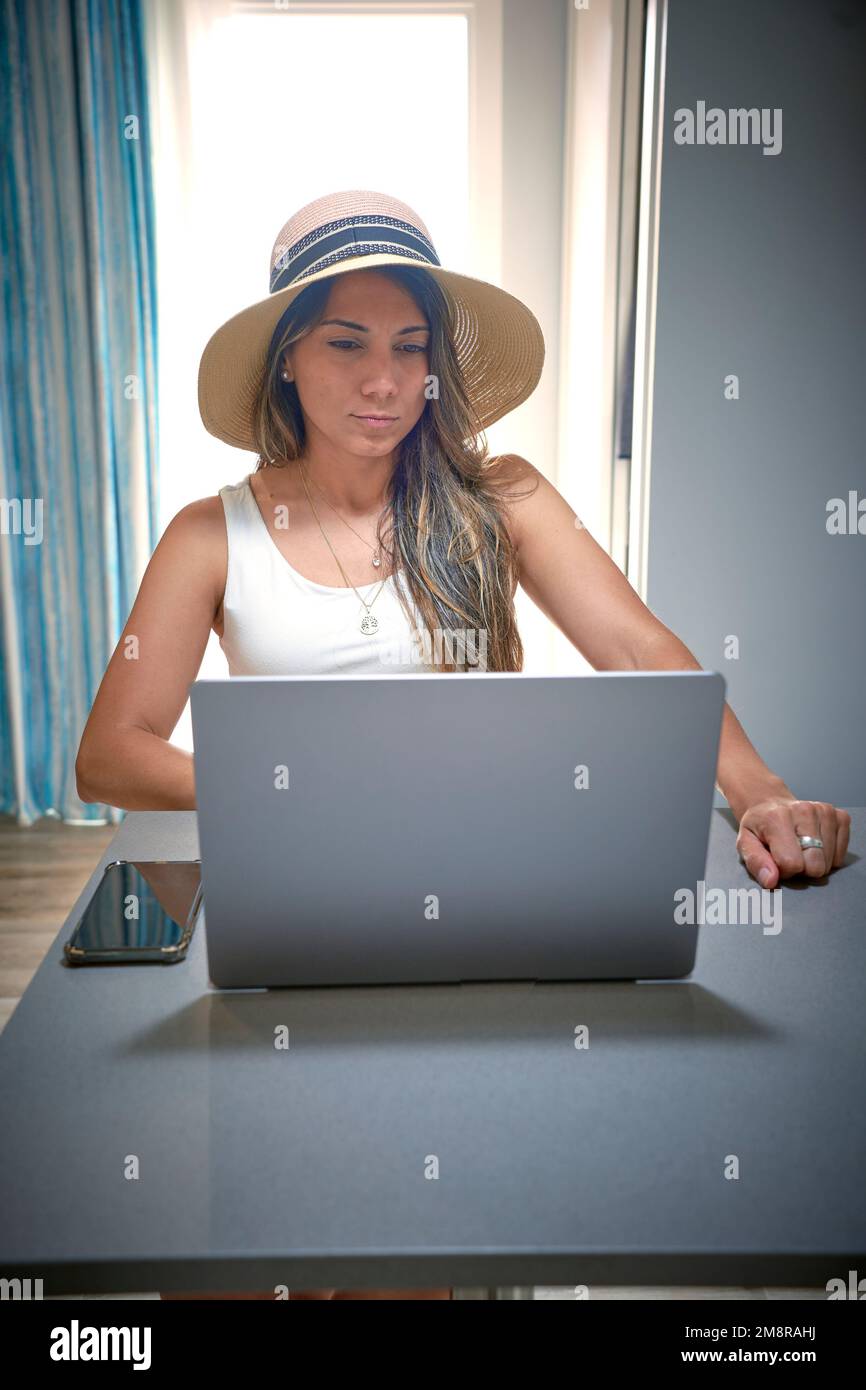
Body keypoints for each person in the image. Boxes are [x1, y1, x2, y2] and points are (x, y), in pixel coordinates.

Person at [76, 190, 851, 1300]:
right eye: (345, 345)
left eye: (408, 348)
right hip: (295, 922)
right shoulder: (213, 532)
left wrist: (763, 792)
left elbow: (636, 647)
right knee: (241, 1263)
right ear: (286, 361)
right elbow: (110, 752)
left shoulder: (502, 497)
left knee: (413, 1253)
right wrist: (276, 795)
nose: (383, 381)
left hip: (476, 916)